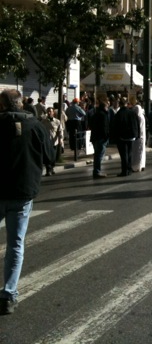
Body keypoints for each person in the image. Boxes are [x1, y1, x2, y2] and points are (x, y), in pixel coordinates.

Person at [0, 89, 56, 315]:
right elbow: (51, 156)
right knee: (15, 244)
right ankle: (8, 294)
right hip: (23, 193)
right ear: (21, 104)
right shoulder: (36, 127)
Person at [110, 98, 140, 177]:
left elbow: (114, 127)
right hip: (131, 136)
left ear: (120, 105)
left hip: (121, 137)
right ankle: (129, 169)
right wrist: (137, 135)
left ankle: (124, 170)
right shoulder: (132, 113)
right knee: (129, 153)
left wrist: (113, 137)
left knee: (123, 155)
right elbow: (137, 124)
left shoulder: (118, 114)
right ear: (127, 104)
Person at [88, 97, 110, 178]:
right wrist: (106, 137)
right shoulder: (103, 115)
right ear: (104, 107)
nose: (108, 108)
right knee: (99, 155)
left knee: (97, 155)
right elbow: (105, 127)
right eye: (107, 106)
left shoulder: (95, 114)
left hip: (95, 137)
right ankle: (97, 172)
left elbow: (90, 125)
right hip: (101, 138)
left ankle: (96, 171)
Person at [131, 103, 146, 172]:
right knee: (141, 152)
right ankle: (141, 165)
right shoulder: (142, 116)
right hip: (141, 137)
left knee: (137, 152)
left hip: (138, 137)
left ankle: (137, 166)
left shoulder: (138, 117)